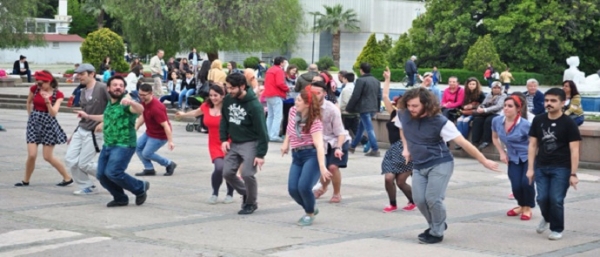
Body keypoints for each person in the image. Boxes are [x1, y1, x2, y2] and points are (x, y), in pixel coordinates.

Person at [396, 87, 500, 244]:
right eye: (409, 105)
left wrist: (483, 160)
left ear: (426, 104)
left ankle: (436, 232)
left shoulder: (440, 122)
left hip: (440, 163)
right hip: (418, 164)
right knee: (419, 199)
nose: (411, 109)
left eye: (415, 106)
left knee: (433, 198)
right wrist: (406, 148)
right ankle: (436, 225)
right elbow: (403, 129)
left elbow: (462, 142)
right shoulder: (403, 114)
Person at [79, 76, 150, 207]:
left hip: (124, 144)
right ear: (108, 88)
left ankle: (140, 187)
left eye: (121, 86)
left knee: (113, 172)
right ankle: (120, 198)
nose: (118, 87)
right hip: (108, 144)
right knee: (101, 175)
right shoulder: (110, 104)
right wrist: (88, 116)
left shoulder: (125, 104)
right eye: (115, 85)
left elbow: (140, 110)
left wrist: (132, 103)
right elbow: (106, 116)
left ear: (124, 89)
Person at [527, 88, 581, 240]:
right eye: (546, 100)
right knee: (542, 198)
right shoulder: (538, 120)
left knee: (556, 199)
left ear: (563, 103)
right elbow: (532, 145)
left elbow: (574, 150)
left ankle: (557, 228)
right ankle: (548, 217)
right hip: (542, 166)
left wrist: (573, 173)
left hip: (562, 168)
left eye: (553, 101)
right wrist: (530, 168)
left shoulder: (569, 123)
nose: (548, 104)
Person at [281, 86, 332, 226]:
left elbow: (319, 145)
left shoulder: (314, 121)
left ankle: (309, 213)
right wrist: (286, 143)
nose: (295, 102)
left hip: (311, 155)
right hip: (296, 154)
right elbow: (289, 128)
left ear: (307, 104)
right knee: (293, 189)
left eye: (298, 100)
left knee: (303, 187)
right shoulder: (293, 111)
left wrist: (322, 167)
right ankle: (311, 207)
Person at [176, 85, 235, 204]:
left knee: (228, 170)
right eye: (211, 95)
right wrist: (183, 114)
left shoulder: (228, 108)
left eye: (216, 95)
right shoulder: (206, 106)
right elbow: (195, 113)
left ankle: (230, 193)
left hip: (228, 142)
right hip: (213, 143)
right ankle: (215, 193)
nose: (213, 98)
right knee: (219, 168)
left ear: (222, 96)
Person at [220, 73, 269, 215]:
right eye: (228, 88)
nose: (229, 91)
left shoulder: (254, 106)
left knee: (247, 174)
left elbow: (262, 132)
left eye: (232, 88)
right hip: (234, 142)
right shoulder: (229, 100)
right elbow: (224, 120)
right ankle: (247, 194)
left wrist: (260, 154)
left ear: (242, 86)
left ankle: (251, 203)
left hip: (251, 142)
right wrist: (223, 139)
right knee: (227, 173)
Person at [16, 70, 72, 187]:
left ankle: (67, 178)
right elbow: (29, 101)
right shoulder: (34, 89)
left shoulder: (58, 95)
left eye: (41, 83)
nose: (39, 85)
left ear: (49, 81)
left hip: (48, 124)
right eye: (37, 82)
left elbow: (53, 113)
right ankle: (25, 180)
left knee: (47, 156)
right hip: (34, 122)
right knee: (32, 155)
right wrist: (30, 115)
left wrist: (47, 101)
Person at [65, 64, 109, 195]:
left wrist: (104, 121)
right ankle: (88, 186)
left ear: (92, 74)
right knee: (70, 159)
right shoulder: (82, 91)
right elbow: (84, 114)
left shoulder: (103, 88)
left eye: (82, 74)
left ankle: (112, 175)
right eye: (78, 74)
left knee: (84, 163)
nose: (79, 77)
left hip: (95, 132)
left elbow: (115, 106)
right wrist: (74, 133)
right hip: (82, 129)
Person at [491, 95, 535, 221]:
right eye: (505, 106)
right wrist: (502, 152)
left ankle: (527, 207)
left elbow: (534, 143)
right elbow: (494, 138)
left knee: (526, 183)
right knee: (516, 185)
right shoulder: (497, 121)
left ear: (518, 109)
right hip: (513, 156)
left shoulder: (525, 124)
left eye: (510, 106)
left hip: (528, 156)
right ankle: (521, 205)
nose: (506, 108)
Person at [309, 81, 351, 204]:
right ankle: (323, 187)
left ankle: (337, 193)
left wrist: (338, 148)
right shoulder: (307, 107)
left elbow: (341, 133)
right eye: (312, 92)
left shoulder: (332, 109)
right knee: (323, 167)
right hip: (321, 142)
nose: (314, 95)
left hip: (337, 140)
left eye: (317, 93)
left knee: (332, 167)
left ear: (324, 94)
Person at [380, 67, 415, 212]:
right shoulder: (394, 113)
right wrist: (387, 79)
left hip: (408, 150)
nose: (399, 102)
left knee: (401, 182)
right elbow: (385, 96)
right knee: (388, 178)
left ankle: (413, 200)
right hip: (393, 149)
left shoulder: (412, 117)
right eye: (400, 101)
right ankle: (392, 203)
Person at [133, 83, 177, 177]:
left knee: (147, 153)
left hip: (160, 136)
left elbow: (166, 125)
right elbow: (143, 116)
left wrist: (170, 141)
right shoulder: (144, 102)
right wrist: (135, 128)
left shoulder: (157, 108)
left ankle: (169, 164)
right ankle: (149, 168)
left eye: (144, 95)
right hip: (150, 132)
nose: (141, 97)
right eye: (140, 94)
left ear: (151, 93)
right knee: (137, 147)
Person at [346, 63, 381, 157]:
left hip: (364, 107)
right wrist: (377, 108)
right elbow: (379, 95)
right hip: (373, 107)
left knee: (369, 129)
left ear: (361, 70)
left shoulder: (360, 80)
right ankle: (353, 146)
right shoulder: (376, 81)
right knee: (361, 128)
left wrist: (349, 108)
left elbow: (356, 95)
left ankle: (375, 149)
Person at [339, 72, 370, 153]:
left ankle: (342, 146)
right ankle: (365, 141)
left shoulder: (346, 89)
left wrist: (340, 109)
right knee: (356, 130)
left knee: (343, 130)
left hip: (346, 113)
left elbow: (345, 102)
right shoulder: (355, 87)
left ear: (345, 79)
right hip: (355, 113)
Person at [471, 82, 507, 150]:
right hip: (486, 112)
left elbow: (498, 106)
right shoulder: (489, 95)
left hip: (497, 113)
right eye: (494, 88)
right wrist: (480, 107)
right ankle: (475, 141)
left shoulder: (503, 96)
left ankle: (486, 141)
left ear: (501, 89)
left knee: (489, 121)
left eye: (498, 88)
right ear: (492, 88)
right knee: (477, 120)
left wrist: (485, 110)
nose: (496, 89)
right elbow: (484, 103)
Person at [455, 78, 485, 149]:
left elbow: (483, 104)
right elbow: (461, 104)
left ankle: (463, 141)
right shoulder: (465, 93)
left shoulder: (480, 94)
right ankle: (460, 141)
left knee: (465, 121)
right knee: (459, 120)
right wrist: (464, 107)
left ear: (477, 85)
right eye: (470, 84)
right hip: (465, 112)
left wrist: (473, 106)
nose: (471, 86)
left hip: (474, 112)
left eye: (473, 84)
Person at [263, 56, 289, 142]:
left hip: (268, 94)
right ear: (281, 63)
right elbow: (280, 83)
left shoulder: (270, 69)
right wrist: (287, 88)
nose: (285, 63)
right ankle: (274, 135)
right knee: (278, 116)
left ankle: (267, 134)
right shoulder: (279, 70)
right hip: (276, 94)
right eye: (284, 62)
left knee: (270, 115)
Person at [281, 65, 298, 137]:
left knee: (293, 117)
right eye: (293, 70)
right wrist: (291, 88)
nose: (294, 72)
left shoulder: (296, 78)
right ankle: (284, 132)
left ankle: (292, 132)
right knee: (286, 116)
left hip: (294, 99)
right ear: (289, 69)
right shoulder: (284, 78)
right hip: (286, 99)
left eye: (295, 70)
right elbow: (284, 86)